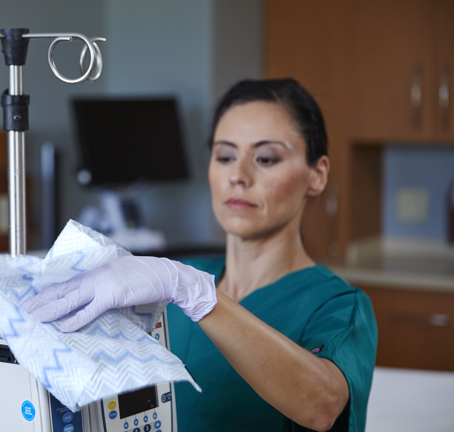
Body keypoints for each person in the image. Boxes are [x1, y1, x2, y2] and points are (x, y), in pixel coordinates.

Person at [23, 78, 378, 432]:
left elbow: (321, 407)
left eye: (266, 158)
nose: (237, 175)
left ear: (317, 175)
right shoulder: (166, 287)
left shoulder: (338, 305)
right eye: (224, 156)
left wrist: (194, 293)